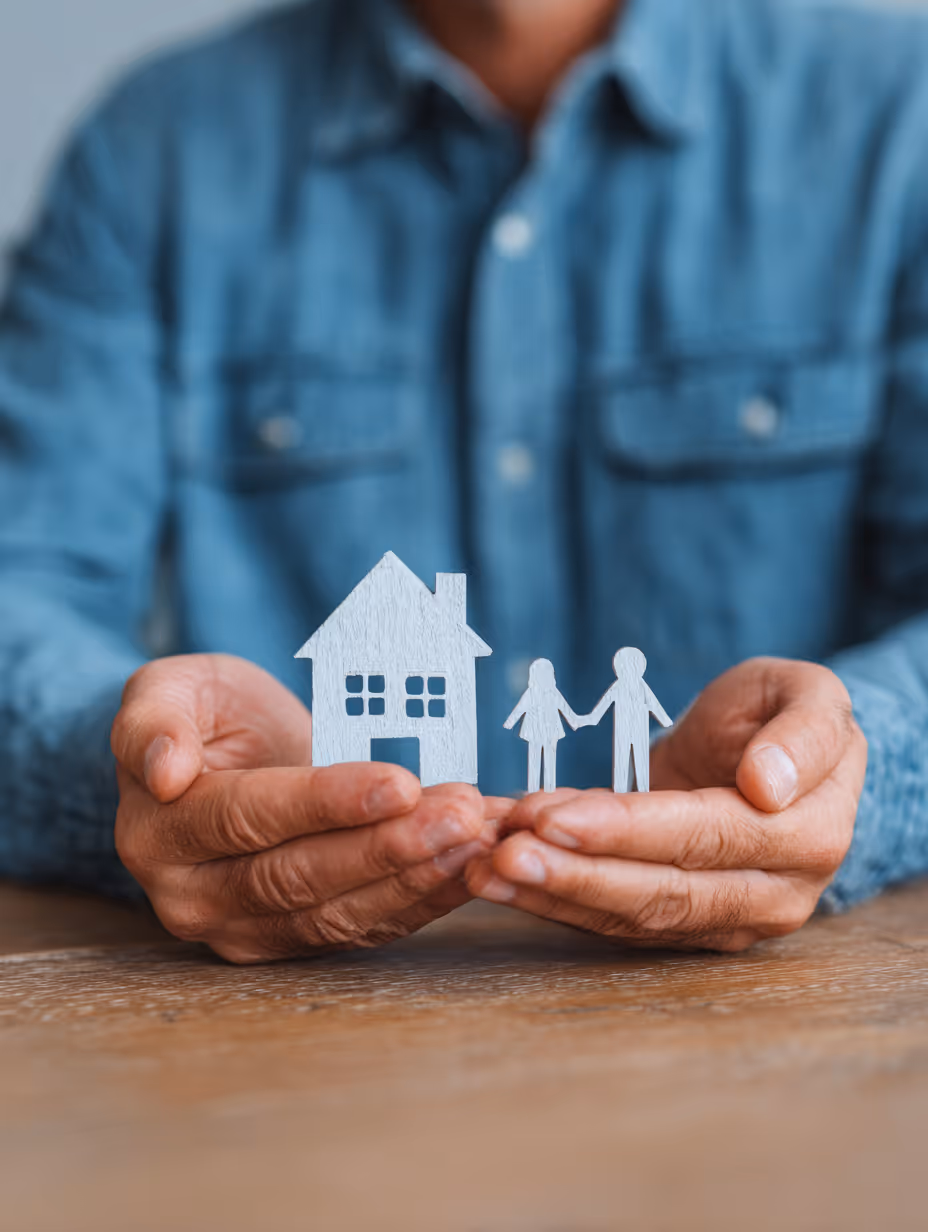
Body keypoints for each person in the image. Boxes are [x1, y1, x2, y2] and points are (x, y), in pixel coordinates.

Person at [1, 0, 926, 961]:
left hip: (783, 1042)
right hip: (299, 1047)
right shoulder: (155, 148)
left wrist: (857, 767)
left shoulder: (903, 116)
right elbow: (21, 586)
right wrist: (145, 776)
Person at [585, 649, 673, 794]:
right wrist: (590, 718)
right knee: (621, 760)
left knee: (641, 760)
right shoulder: (618, 686)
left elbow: (654, 705)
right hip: (622, 731)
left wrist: (666, 722)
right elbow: (603, 705)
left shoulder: (642, 687)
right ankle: (621, 790)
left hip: (640, 731)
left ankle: (643, 789)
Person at [504, 659, 583, 794]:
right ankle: (533, 789)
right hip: (533, 731)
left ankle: (549, 788)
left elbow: (565, 709)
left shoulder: (553, 693)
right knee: (534, 760)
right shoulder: (531, 693)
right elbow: (520, 709)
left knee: (549, 760)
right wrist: (509, 723)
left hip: (551, 731)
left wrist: (574, 722)